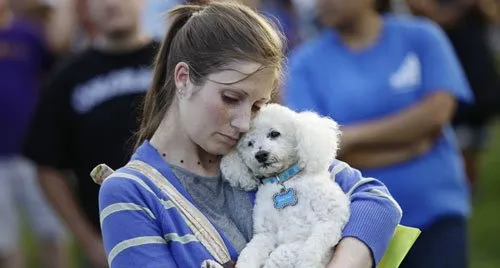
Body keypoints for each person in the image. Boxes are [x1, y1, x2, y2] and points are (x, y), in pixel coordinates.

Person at [97, 2, 402, 268]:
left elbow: (376, 201)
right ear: (183, 79)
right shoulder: (130, 192)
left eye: (258, 105)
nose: (245, 124)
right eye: (230, 98)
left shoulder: (256, 154)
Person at [284, 0, 472, 267]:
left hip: (435, 214)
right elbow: (311, 150)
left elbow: (438, 111)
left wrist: (350, 137)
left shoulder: (422, 36)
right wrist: (408, 145)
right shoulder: (304, 62)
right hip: (356, 229)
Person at [22, 0, 158, 267]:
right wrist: (89, 241)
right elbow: (46, 167)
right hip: (108, 244)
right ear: (86, 8)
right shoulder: (67, 77)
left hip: (180, 232)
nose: (111, 4)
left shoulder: (173, 61)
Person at [0, 0, 69, 267]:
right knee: (5, 246)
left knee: (52, 234)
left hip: (32, 152)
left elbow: (58, 57)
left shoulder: (29, 34)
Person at [406, 0, 500, 195]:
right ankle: (464, 185)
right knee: (458, 127)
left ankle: (470, 183)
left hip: (474, 58)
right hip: (448, 57)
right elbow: (431, 16)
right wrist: (463, 6)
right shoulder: (426, 35)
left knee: (476, 128)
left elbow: (491, 15)